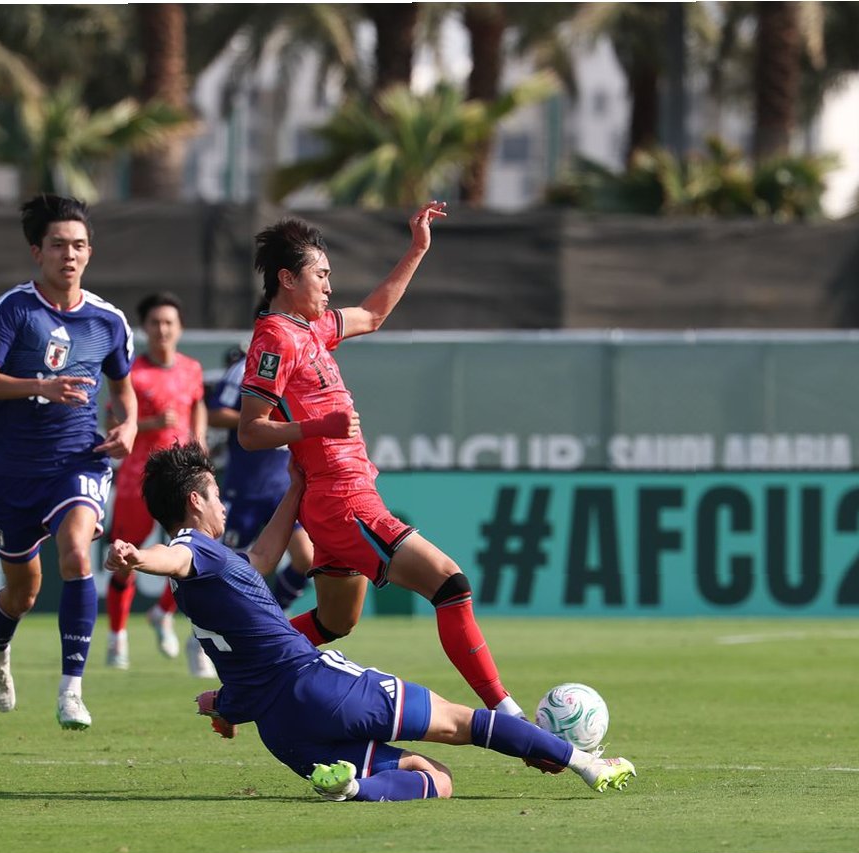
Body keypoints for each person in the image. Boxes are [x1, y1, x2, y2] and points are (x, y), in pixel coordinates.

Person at [104, 442, 636, 802]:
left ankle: (352, 788)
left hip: (283, 732)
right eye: (216, 495)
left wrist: (295, 488)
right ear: (195, 501)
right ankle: (588, 764)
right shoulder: (191, 549)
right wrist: (138, 557)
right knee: (463, 724)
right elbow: (174, 556)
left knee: (436, 780)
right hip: (321, 688)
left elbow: (262, 558)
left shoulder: (214, 572)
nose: (222, 505)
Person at [236, 202, 542, 753]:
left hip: (339, 498)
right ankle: (509, 715)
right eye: (321, 274)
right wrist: (317, 426)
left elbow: (373, 314)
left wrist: (417, 249)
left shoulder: (312, 329)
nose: (330, 286)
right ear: (287, 278)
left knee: (335, 622)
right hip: (343, 500)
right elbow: (250, 431)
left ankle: (239, 679)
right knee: (450, 584)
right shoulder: (275, 338)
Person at [0, 194, 138, 731]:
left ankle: (71, 691)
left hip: (77, 460)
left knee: (77, 555)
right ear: (37, 252)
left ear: (90, 253)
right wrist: (40, 386)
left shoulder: (108, 320)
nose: (70, 255)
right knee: (23, 593)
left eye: (79, 245)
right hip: (15, 470)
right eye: (59, 245)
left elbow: (124, 390)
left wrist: (129, 426)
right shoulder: (13, 309)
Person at [103, 292, 211, 675]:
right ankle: (117, 637)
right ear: (145, 328)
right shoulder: (131, 372)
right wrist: (150, 424)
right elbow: (111, 422)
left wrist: (200, 439)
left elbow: (197, 404)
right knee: (124, 557)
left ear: (179, 328)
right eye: (155, 323)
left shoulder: (191, 369)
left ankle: (163, 612)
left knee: (192, 553)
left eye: (169, 322)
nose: (162, 329)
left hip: (180, 480)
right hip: (137, 480)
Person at [208, 341, 314, 610]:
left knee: (306, 558)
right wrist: (258, 421)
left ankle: (276, 616)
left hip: (283, 488)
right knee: (230, 568)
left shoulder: (301, 365)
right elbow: (216, 413)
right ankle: (210, 629)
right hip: (247, 488)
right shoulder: (245, 367)